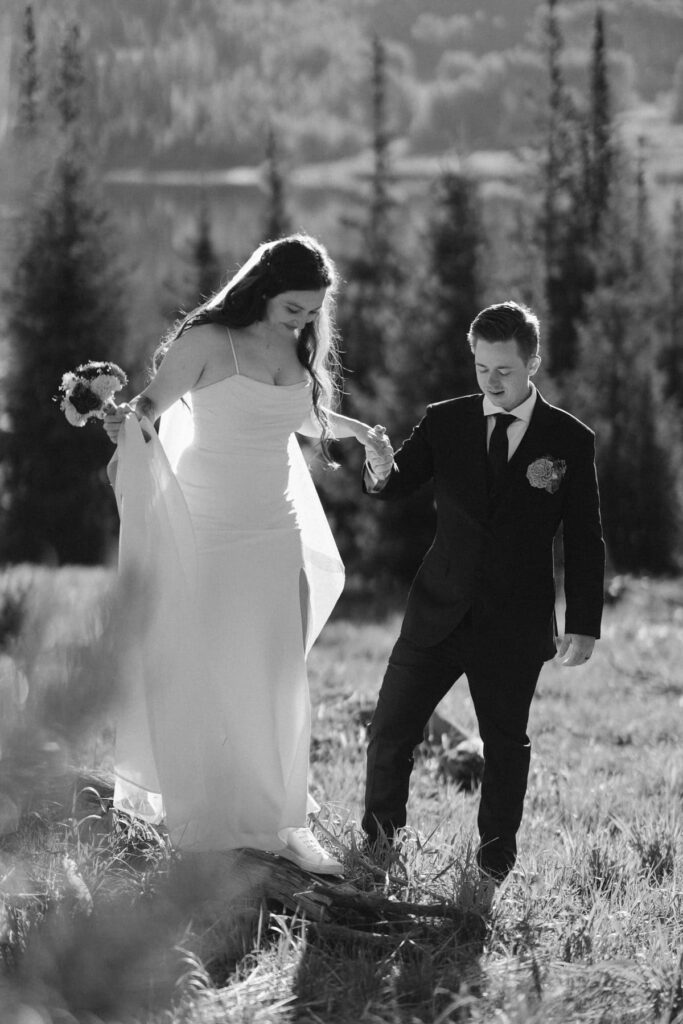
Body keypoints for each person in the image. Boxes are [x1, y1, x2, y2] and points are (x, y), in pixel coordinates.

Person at [103, 233, 393, 875]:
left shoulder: (296, 345)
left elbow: (302, 416)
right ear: (263, 288)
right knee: (210, 667)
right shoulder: (207, 342)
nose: (304, 321)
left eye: (313, 311)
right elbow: (151, 408)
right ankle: (207, 813)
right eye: (294, 308)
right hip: (209, 530)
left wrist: (361, 433)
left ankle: (282, 816)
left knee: (278, 673)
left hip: (275, 530)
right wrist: (121, 419)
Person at [361, 300, 604, 886]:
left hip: (514, 624)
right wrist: (378, 467)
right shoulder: (445, 421)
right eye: (481, 368)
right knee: (390, 734)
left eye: (504, 370)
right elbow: (396, 485)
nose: (491, 382)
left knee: (505, 746)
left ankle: (493, 867)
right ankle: (377, 851)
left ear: (533, 362)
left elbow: (584, 536)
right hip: (437, 611)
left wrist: (585, 621)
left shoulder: (569, 439)